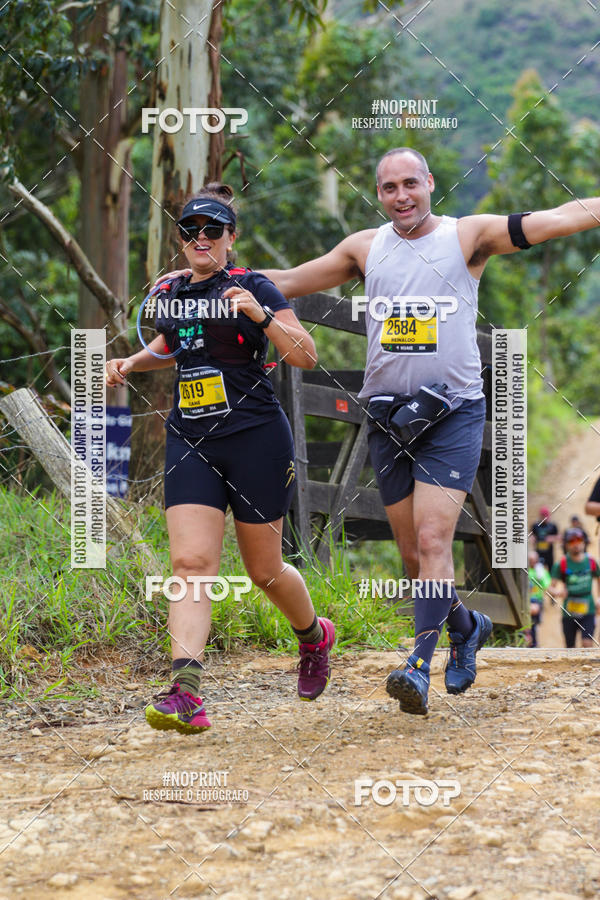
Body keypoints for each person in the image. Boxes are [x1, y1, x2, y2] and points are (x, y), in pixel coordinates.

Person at [260, 146, 600, 715]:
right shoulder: (365, 249)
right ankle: (467, 627)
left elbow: (558, 218)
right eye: (389, 187)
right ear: (379, 192)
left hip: (452, 414)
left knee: (432, 541)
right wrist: (213, 279)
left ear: (431, 183)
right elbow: (290, 280)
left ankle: (418, 665)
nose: (401, 197)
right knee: (415, 561)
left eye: (410, 184)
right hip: (388, 418)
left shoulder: (467, 237)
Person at [105, 183, 335, 734]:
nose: (201, 238)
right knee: (190, 565)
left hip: (256, 435)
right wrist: (134, 362)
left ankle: (313, 636)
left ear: (231, 237)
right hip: (190, 437)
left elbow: (304, 354)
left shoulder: (252, 286)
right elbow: (174, 342)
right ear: (180, 239)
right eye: (191, 231)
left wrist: (260, 315)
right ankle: (186, 691)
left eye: (213, 230)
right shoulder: (170, 292)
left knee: (263, 571)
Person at [549, 527, 599, 648]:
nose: (576, 544)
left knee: (587, 644)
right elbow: (550, 588)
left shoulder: (591, 562)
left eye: (579, 540)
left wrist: (599, 598)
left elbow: (598, 578)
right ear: (566, 545)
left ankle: (587, 667)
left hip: (588, 609)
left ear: (584, 542)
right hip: (568, 612)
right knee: (570, 648)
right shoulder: (561, 564)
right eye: (571, 541)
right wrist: (558, 592)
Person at [526, 549, 550, 648]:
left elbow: (546, 585)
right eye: (530, 559)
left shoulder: (540, 571)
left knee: (533, 624)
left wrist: (540, 576)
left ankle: (534, 644)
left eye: (533, 559)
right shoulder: (525, 571)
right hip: (525, 600)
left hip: (536, 600)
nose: (532, 561)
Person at [531, 506, 560, 570]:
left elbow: (558, 537)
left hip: (549, 553)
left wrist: (550, 539)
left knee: (551, 570)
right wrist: (533, 539)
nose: (545, 518)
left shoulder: (552, 525)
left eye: (546, 516)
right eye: (543, 516)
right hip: (539, 552)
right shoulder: (536, 525)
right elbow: (532, 535)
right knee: (539, 571)